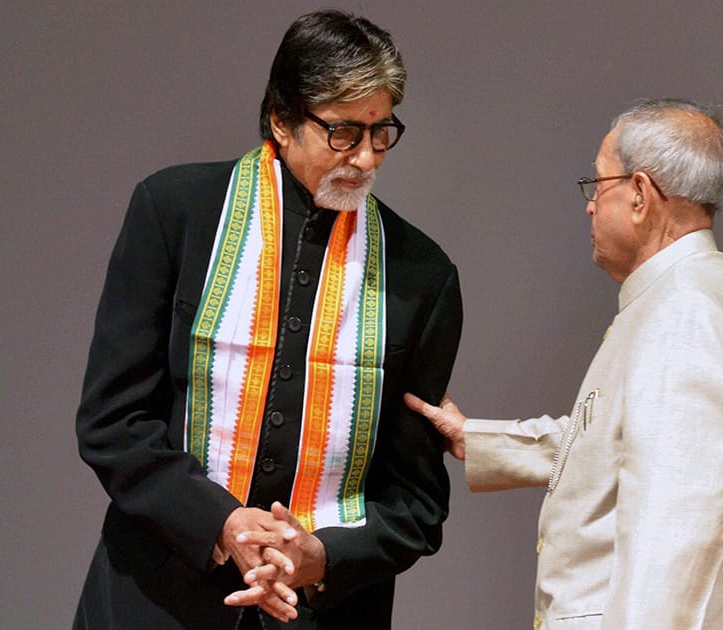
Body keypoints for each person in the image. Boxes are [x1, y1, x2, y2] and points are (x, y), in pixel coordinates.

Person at [75, 10, 462, 629]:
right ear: (281, 119)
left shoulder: (421, 274)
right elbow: (112, 422)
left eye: (381, 132)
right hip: (155, 601)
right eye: (342, 132)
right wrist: (219, 521)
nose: (365, 159)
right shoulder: (177, 214)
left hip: (319, 614)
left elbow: (415, 503)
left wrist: (324, 556)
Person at [406, 98, 723, 629]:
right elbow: (621, 443)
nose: (589, 205)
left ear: (639, 195)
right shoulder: (695, 294)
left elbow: (675, 533)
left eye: (598, 184)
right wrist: (479, 439)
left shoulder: (683, 315)